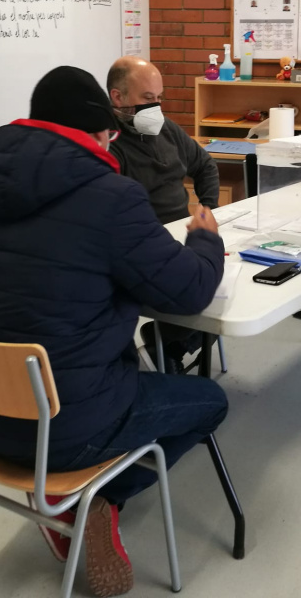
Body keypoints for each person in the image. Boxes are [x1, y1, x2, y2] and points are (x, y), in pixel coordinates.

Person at [0, 66, 228, 597]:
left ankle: (72, 499)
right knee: (211, 400)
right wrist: (205, 239)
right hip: (67, 423)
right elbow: (189, 292)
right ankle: (99, 497)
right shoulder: (110, 194)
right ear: (99, 131)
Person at [107, 56, 220, 373]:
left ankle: (169, 343)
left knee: (222, 284)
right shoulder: (110, 146)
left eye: (159, 98)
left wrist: (206, 209)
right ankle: (167, 344)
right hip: (147, 245)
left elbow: (205, 166)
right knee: (203, 288)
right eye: (147, 99)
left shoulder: (167, 130)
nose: (155, 107)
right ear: (118, 98)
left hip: (183, 236)